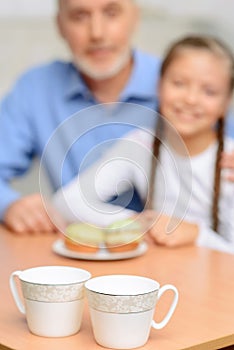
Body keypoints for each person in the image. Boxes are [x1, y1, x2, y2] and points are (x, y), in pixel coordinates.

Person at [53, 35, 234, 254]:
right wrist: (137, 223)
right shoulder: (140, 145)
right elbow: (66, 202)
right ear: (159, 86)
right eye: (179, 83)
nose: (191, 99)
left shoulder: (229, 162)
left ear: (226, 103)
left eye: (209, 91)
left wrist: (197, 234)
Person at [0, 0, 161, 233]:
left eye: (111, 13)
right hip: (71, 251)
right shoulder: (35, 88)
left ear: (135, 17)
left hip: (168, 250)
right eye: (79, 16)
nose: (97, 33)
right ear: (60, 25)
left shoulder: (187, 87)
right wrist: (8, 204)